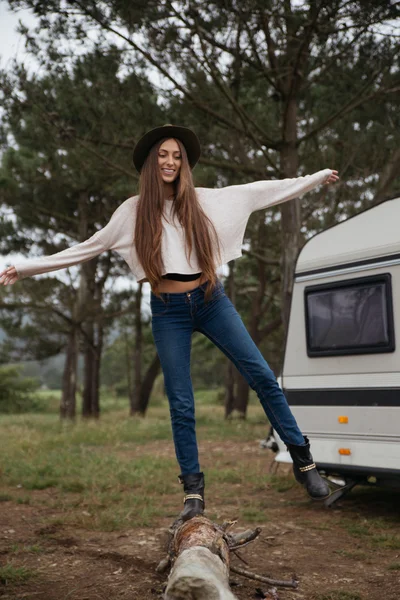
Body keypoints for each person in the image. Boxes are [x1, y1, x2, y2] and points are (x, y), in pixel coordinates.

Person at [0, 124, 339, 521]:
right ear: (150, 161)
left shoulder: (205, 201)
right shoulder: (131, 212)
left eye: (177, 156)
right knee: (181, 403)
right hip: (167, 310)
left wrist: (314, 179)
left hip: (212, 299)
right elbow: (87, 247)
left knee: (262, 376)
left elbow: (262, 191)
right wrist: (24, 268)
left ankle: (304, 462)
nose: (170, 161)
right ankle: (193, 495)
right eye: (163, 154)